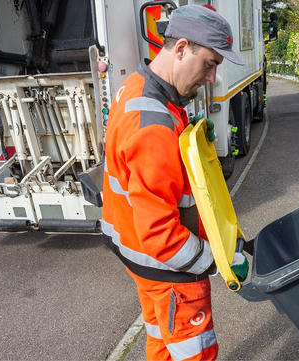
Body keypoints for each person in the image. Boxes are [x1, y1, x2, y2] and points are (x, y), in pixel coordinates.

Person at [100, 5, 245, 361]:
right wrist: (219, 262)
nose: (211, 77)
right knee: (194, 350)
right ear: (181, 49)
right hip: (171, 270)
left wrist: (193, 137)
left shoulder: (138, 86)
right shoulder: (153, 127)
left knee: (163, 343)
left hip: (142, 261)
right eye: (209, 63)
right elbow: (161, 235)